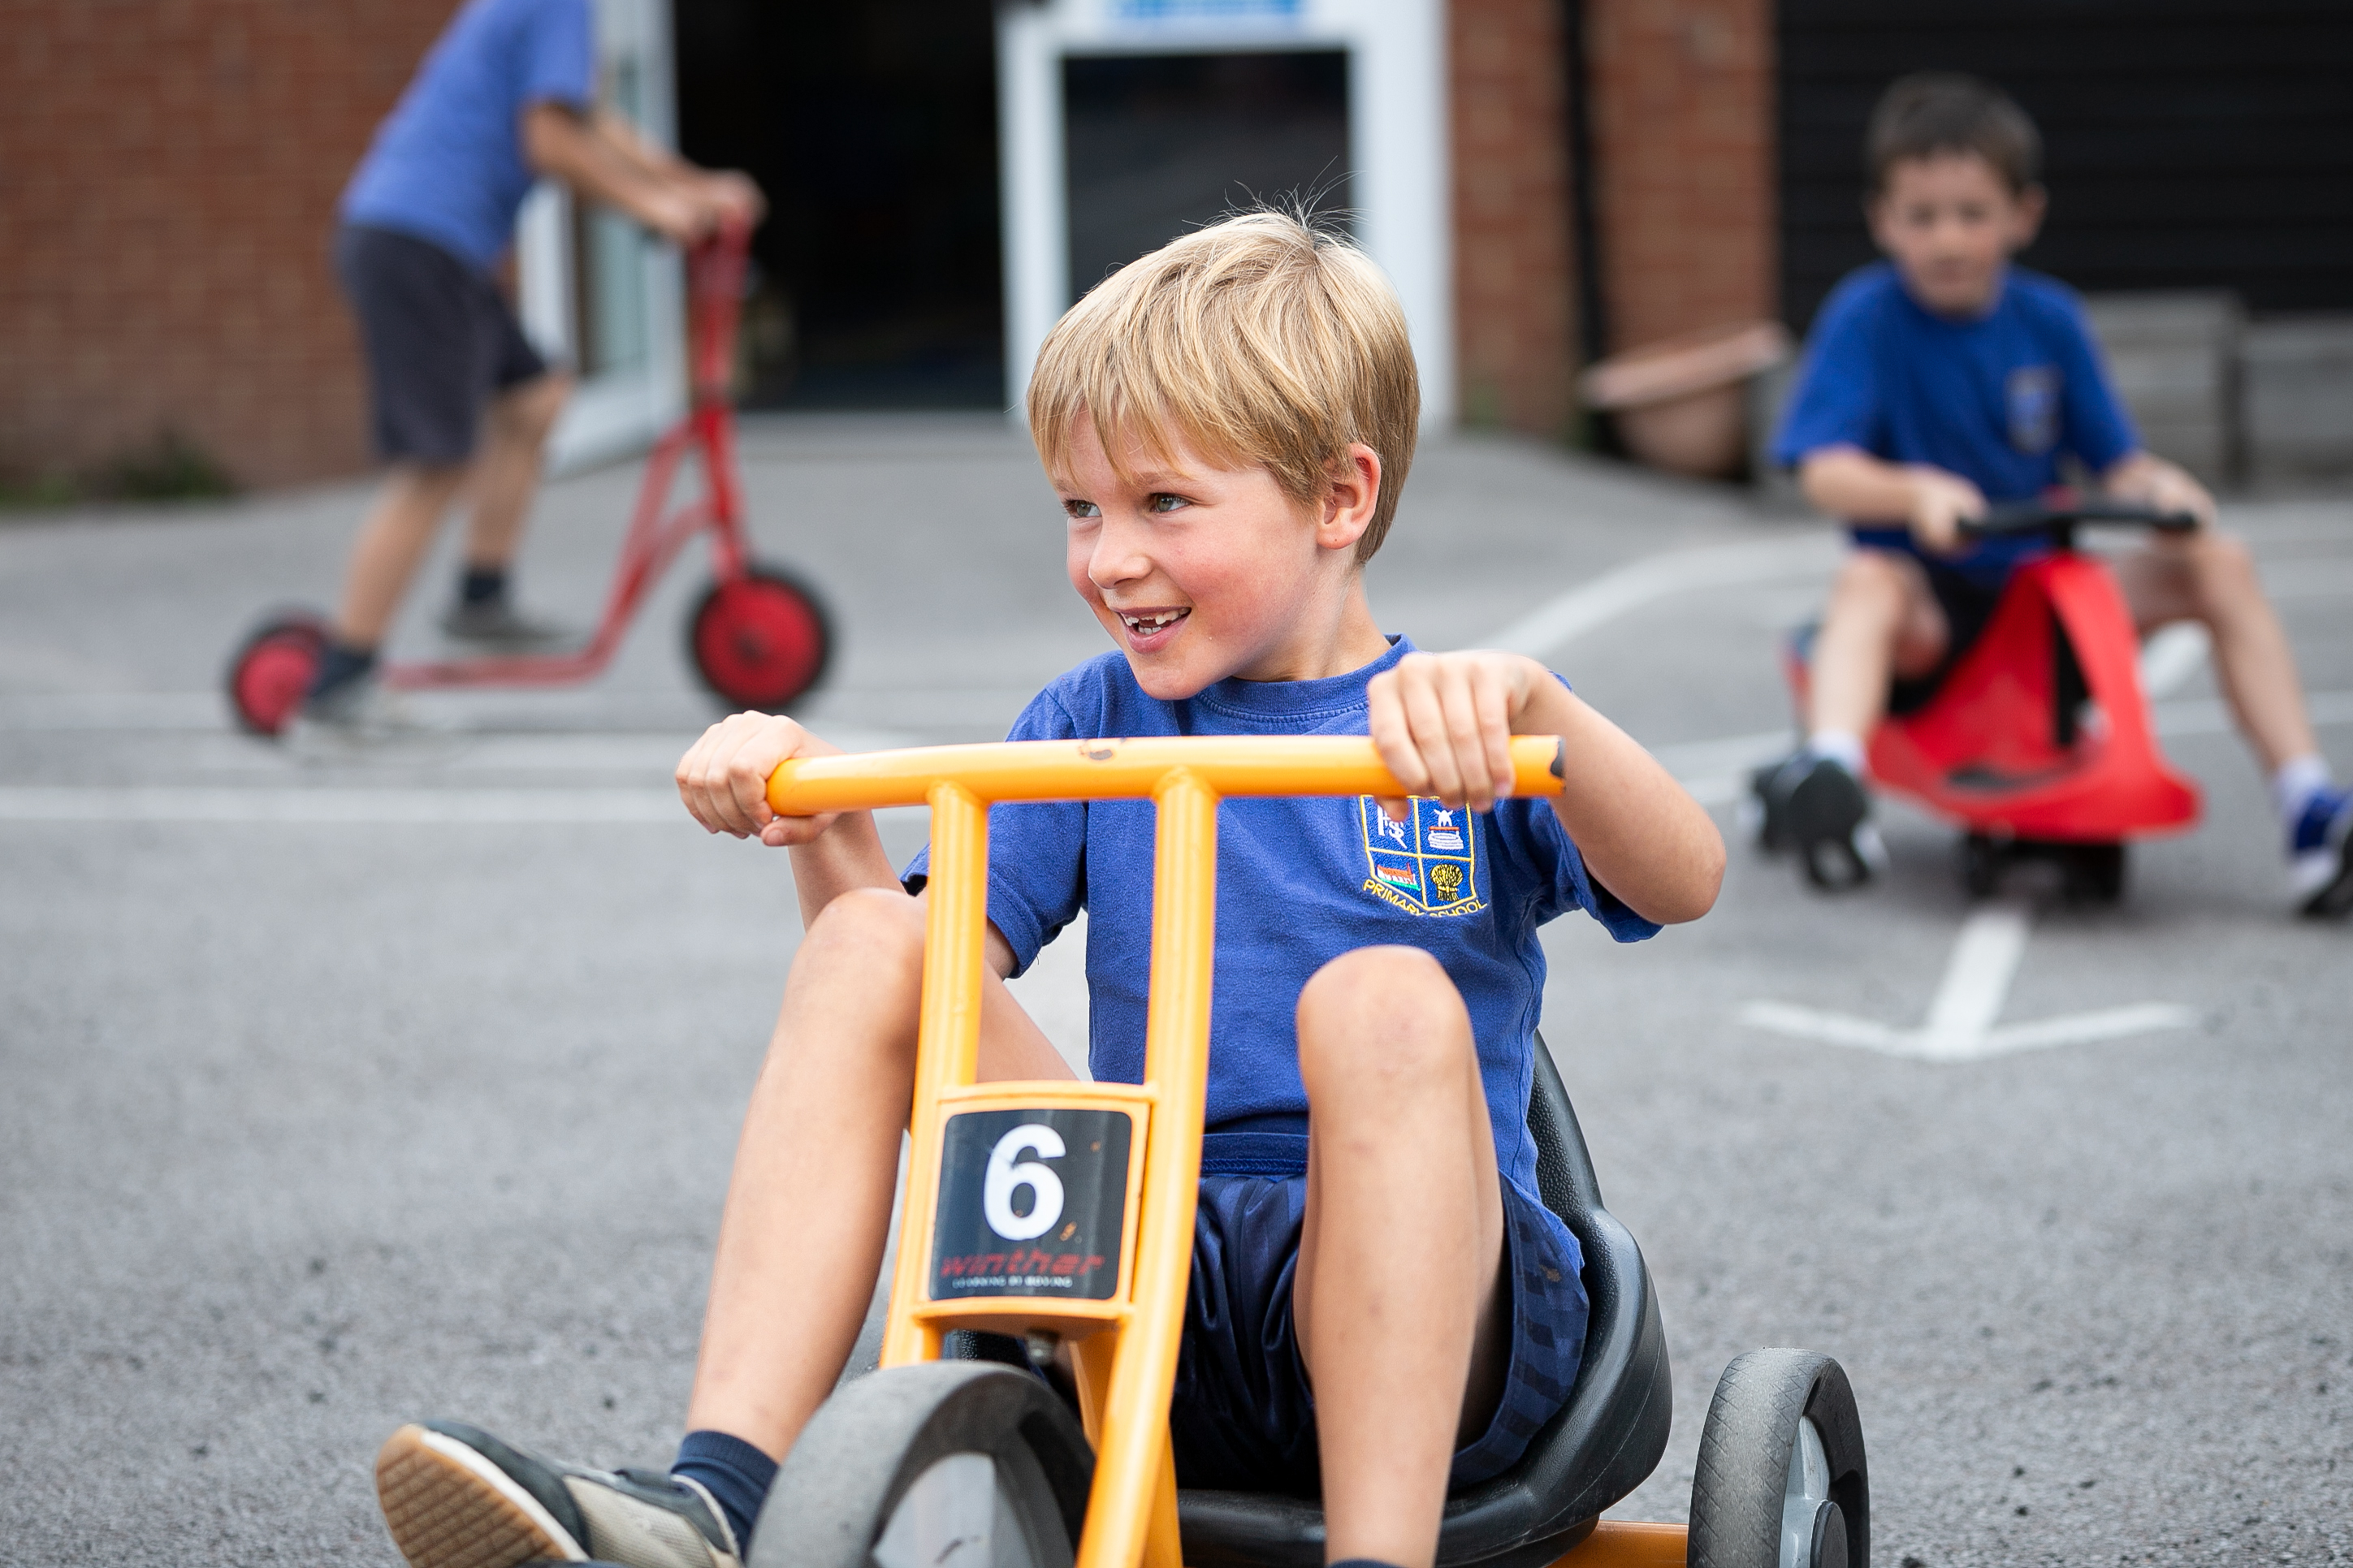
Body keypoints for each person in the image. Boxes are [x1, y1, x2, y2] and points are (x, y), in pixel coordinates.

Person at [365, 212, 1726, 1568]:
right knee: (866, 946)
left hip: (1434, 1306)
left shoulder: (1447, 725)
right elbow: (916, 970)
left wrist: (1535, 701)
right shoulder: (1094, 719)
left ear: (1337, 498)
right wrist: (801, 799)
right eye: (1081, 507)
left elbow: (1684, 875)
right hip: (1137, 1274)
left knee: (1381, 996)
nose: (1107, 557)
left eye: (1162, 503)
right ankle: (713, 1500)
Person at [1762, 72, 2353, 918]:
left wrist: (2159, 487)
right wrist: (1913, 491)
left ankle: (2306, 807)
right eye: (1921, 216)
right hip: (1926, 617)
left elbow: (2114, 461)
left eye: (1969, 214)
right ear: (1881, 219)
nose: (1946, 239)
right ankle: (1833, 780)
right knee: (1866, 583)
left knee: (2218, 562)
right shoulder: (1865, 316)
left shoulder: (2049, 320)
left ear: (2020, 215)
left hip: (2036, 612)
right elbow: (1821, 469)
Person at [300, 0, 762, 736]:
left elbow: (590, 122)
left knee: (535, 396)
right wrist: (657, 209)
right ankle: (340, 682)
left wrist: (687, 186)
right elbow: (550, 142)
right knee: (435, 461)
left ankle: (482, 597)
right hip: (418, 243)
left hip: (434, 244)